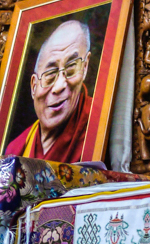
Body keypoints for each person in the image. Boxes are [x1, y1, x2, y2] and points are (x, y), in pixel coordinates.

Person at [4, 19, 93, 162]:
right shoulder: (15, 149)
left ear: (85, 67)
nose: (59, 86)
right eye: (50, 74)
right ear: (33, 86)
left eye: (71, 67)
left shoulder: (99, 123)